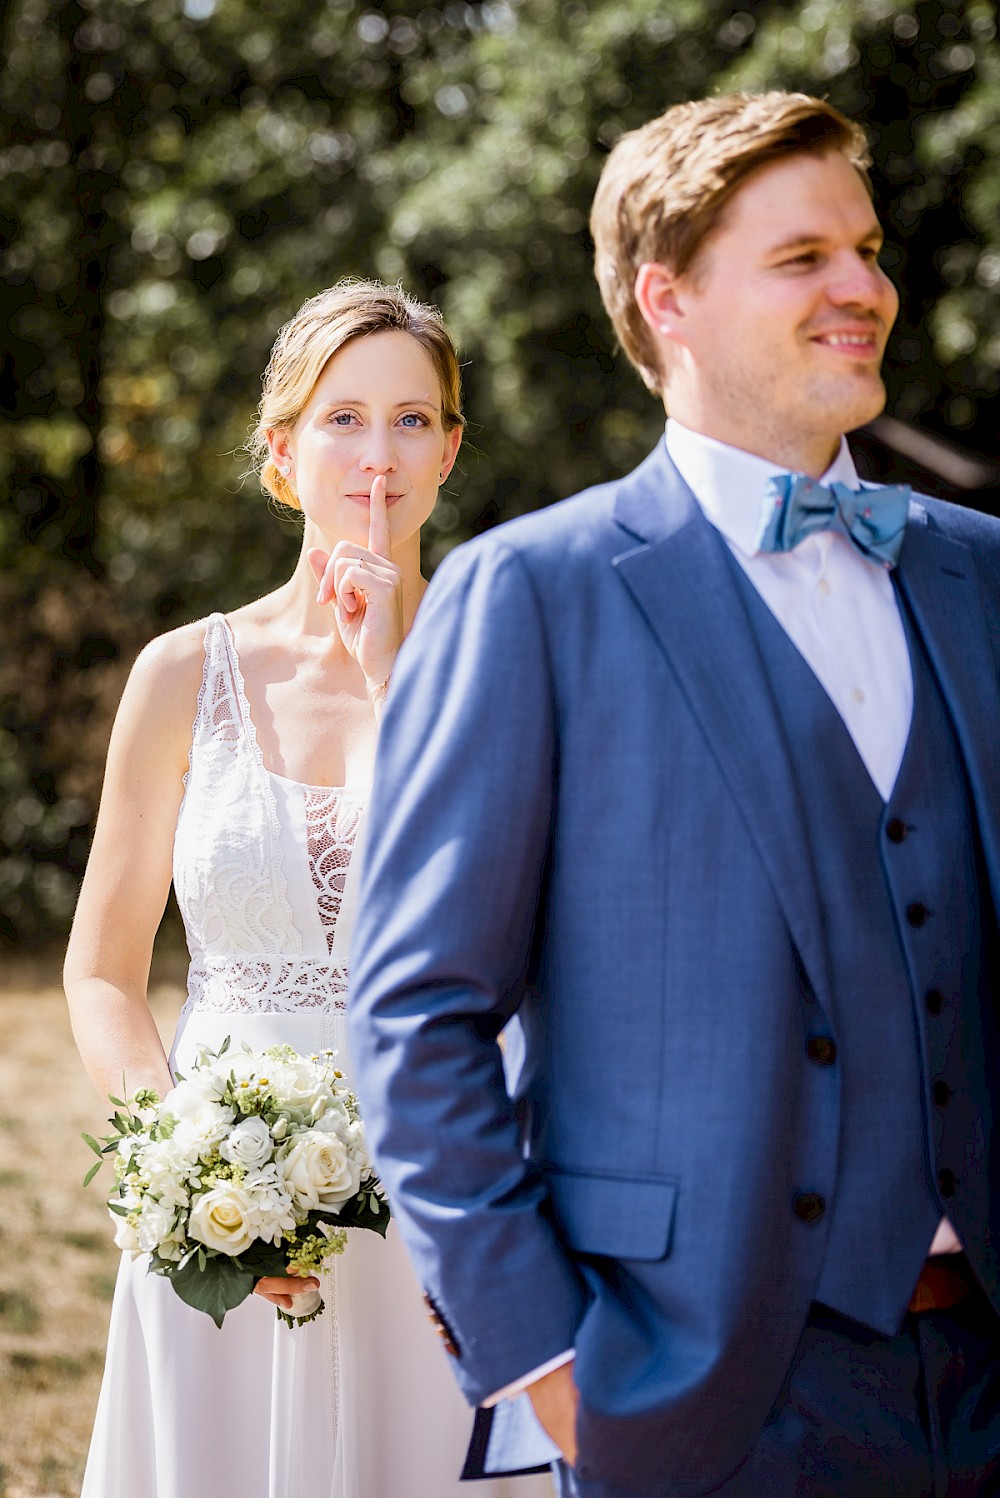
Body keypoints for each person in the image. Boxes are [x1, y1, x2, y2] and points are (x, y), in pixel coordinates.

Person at [346, 93, 1000, 1497]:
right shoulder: (534, 594)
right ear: (669, 298)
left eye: (870, 249)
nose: (864, 289)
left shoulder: (982, 573)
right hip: (705, 1393)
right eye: (803, 257)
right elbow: (416, 1008)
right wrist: (547, 1364)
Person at [65, 279, 556, 1498]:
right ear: (282, 451)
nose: (377, 455)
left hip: (448, 1183)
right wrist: (183, 1170)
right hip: (227, 1202)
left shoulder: (513, 663)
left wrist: (396, 670)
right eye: (342, 418)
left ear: (449, 449)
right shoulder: (184, 672)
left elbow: (524, 926)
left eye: (409, 420)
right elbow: (101, 970)